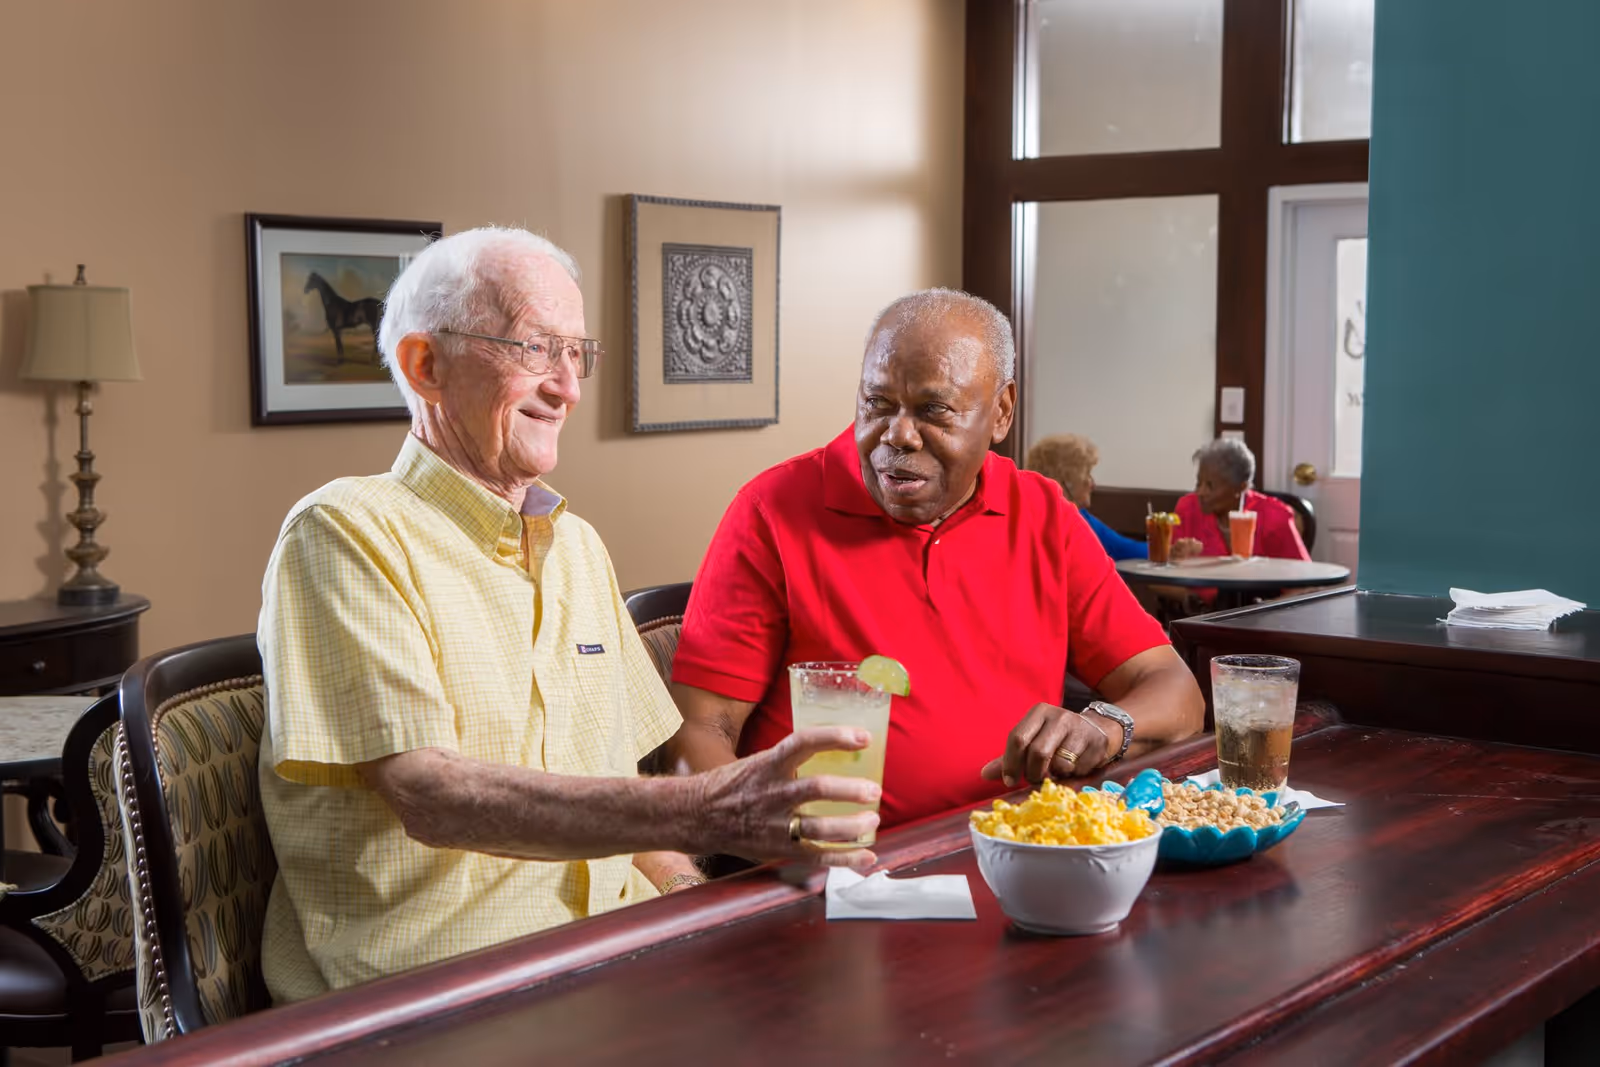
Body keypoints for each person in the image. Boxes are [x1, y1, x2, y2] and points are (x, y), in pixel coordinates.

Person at [257, 227, 878, 1004]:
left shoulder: (578, 546)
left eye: (577, 352)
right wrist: (707, 808)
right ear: (426, 366)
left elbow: (624, 796)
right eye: (534, 348)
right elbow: (429, 793)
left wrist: (701, 907)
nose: (567, 386)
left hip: (617, 960)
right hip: (436, 998)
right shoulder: (344, 532)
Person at [665, 288, 1205, 832]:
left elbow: (1175, 692)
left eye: (933, 410)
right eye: (877, 403)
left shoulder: (1042, 513)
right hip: (830, 873)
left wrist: (1105, 727)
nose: (898, 434)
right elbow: (698, 732)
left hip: (1015, 852)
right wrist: (781, 837)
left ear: (1001, 413)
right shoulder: (771, 511)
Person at [1025, 434, 1199, 562]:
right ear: (1067, 481)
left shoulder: (1080, 516)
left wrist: (1172, 550)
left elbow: (1123, 547)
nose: (1093, 484)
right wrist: (1171, 551)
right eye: (1087, 474)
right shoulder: (1072, 521)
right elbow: (1127, 550)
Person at [1173, 438, 1311, 560]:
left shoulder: (1275, 517)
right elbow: (1165, 572)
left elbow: (1303, 581)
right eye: (1199, 483)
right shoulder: (1187, 508)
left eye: (1210, 486)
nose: (1200, 492)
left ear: (1241, 487)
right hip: (1198, 589)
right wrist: (1176, 557)